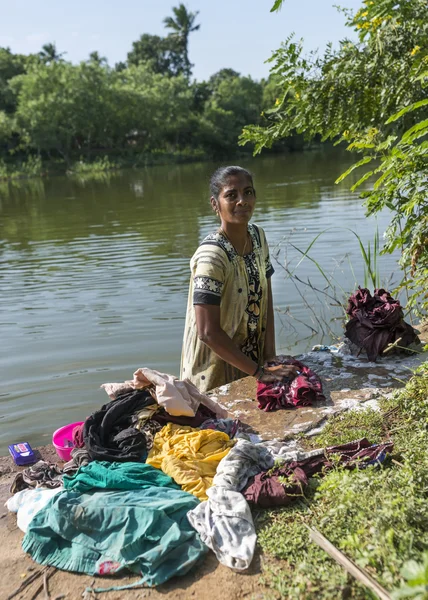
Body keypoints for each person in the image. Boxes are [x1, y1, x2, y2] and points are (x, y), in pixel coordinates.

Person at [180, 165, 299, 393]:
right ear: (215, 204)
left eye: (248, 192)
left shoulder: (257, 236)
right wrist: (260, 372)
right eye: (231, 195)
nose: (242, 201)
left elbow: (266, 299)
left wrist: (269, 358)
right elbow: (207, 332)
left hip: (253, 366)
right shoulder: (211, 257)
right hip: (213, 376)